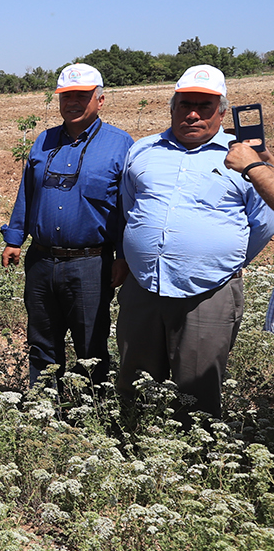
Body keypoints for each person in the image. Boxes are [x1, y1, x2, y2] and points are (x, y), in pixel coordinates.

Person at [116, 65, 273, 422]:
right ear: (172, 107)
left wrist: (218, 260)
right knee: (134, 382)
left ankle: (195, 450)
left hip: (209, 292)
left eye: (204, 106)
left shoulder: (243, 158)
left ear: (222, 112)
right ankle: (132, 441)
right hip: (144, 286)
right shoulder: (143, 150)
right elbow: (131, 207)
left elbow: (263, 223)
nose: (192, 114)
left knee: (197, 393)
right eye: (185, 104)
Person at [0, 65, 133, 386]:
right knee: (41, 343)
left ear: (100, 100)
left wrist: (123, 257)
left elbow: (127, 208)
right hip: (41, 260)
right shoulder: (44, 140)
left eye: (81, 96)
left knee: (91, 346)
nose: (72, 102)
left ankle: (91, 407)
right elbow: (27, 192)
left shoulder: (120, 144)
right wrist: (14, 239)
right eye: (66, 96)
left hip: (91, 263)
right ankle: (45, 404)